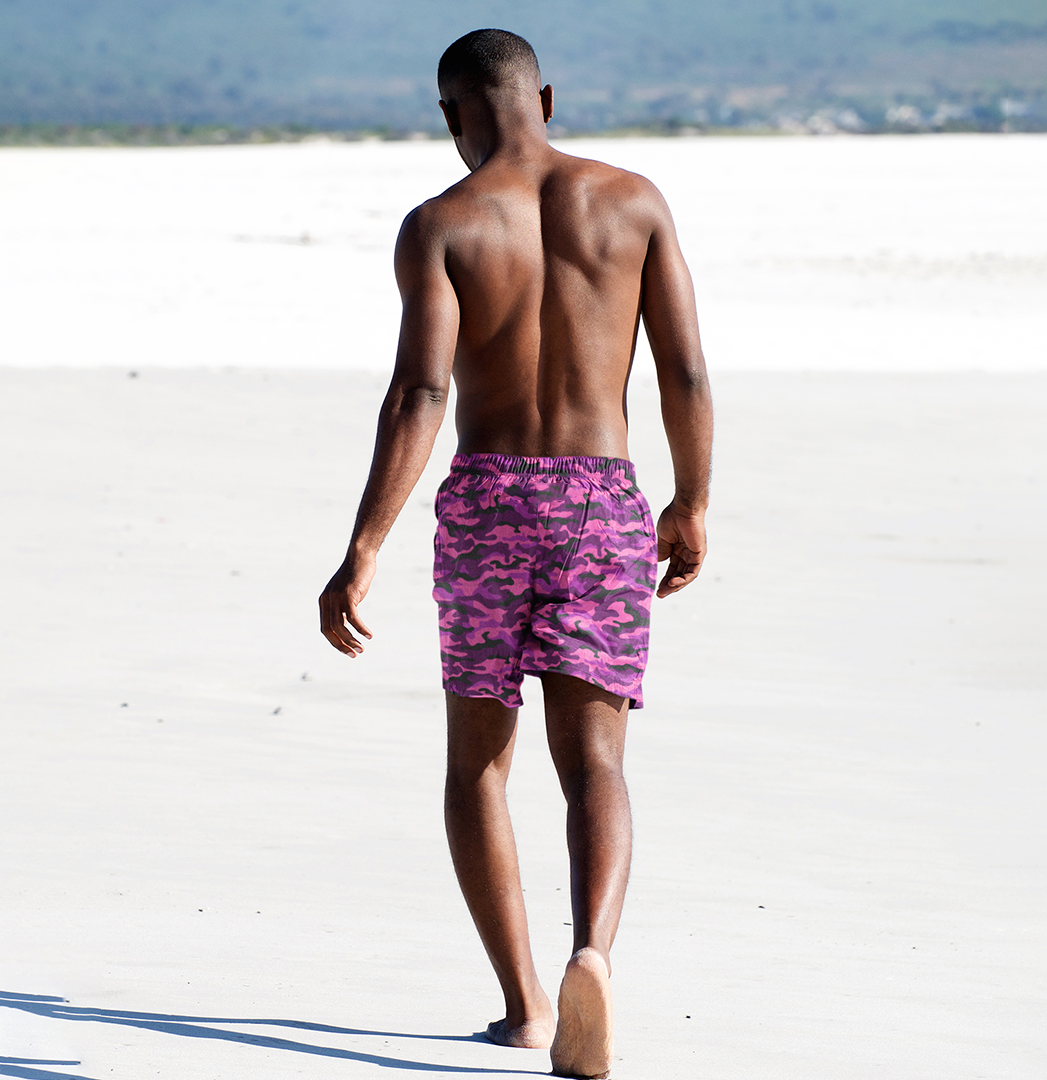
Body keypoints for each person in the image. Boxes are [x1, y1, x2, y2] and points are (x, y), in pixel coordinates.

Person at [319, 28, 712, 1080]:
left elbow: (420, 391)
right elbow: (683, 372)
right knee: (596, 763)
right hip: (602, 502)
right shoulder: (634, 202)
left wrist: (363, 545)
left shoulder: (441, 224)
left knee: (478, 767)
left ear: (452, 116)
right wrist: (691, 503)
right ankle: (595, 956)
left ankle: (528, 1006)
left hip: (488, 501)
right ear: (545, 97)